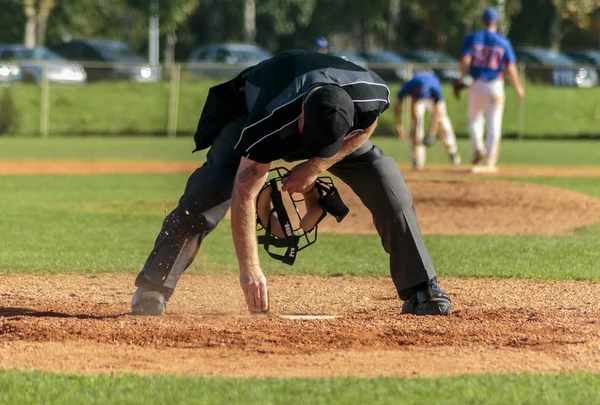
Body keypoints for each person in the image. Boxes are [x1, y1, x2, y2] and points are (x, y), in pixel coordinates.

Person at [131, 50, 452, 317]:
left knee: (385, 178)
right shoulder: (267, 121)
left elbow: (367, 127)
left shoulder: (369, 95)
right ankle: (153, 286)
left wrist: (315, 165)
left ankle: (421, 287)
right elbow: (245, 192)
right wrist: (250, 270)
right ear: (301, 117)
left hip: (325, 119)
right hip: (254, 110)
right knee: (209, 191)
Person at [457, 7, 525, 173]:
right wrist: (518, 87)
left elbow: (465, 60)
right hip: (496, 85)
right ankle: (490, 159)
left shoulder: (473, 38)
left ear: (482, 22)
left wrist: (460, 78)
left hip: (477, 83)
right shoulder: (503, 42)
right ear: (496, 22)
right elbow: (510, 67)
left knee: (474, 119)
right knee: (494, 124)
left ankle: (478, 146)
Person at [394, 71, 461, 171]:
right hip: (416, 98)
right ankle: (417, 159)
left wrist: (432, 134)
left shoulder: (435, 89)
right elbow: (397, 106)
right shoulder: (409, 86)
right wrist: (399, 126)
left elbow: (436, 115)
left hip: (433, 98)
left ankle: (452, 152)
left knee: (443, 122)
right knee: (416, 125)